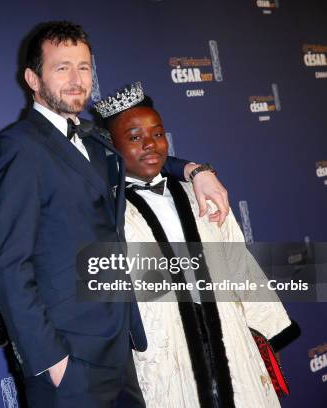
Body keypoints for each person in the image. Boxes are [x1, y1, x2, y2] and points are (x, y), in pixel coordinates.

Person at [0, 21, 229, 407]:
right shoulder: (17, 148)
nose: (77, 79)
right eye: (61, 67)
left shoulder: (93, 138)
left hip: (120, 347)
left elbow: (141, 156)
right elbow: (7, 265)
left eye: (83, 67)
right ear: (33, 78)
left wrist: (193, 170)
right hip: (68, 360)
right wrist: (53, 360)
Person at [95, 82, 298, 407]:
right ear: (112, 145)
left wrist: (268, 325)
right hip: (166, 354)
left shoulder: (201, 194)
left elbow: (238, 261)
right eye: (134, 138)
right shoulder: (107, 215)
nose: (150, 145)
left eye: (157, 134)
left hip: (231, 343)